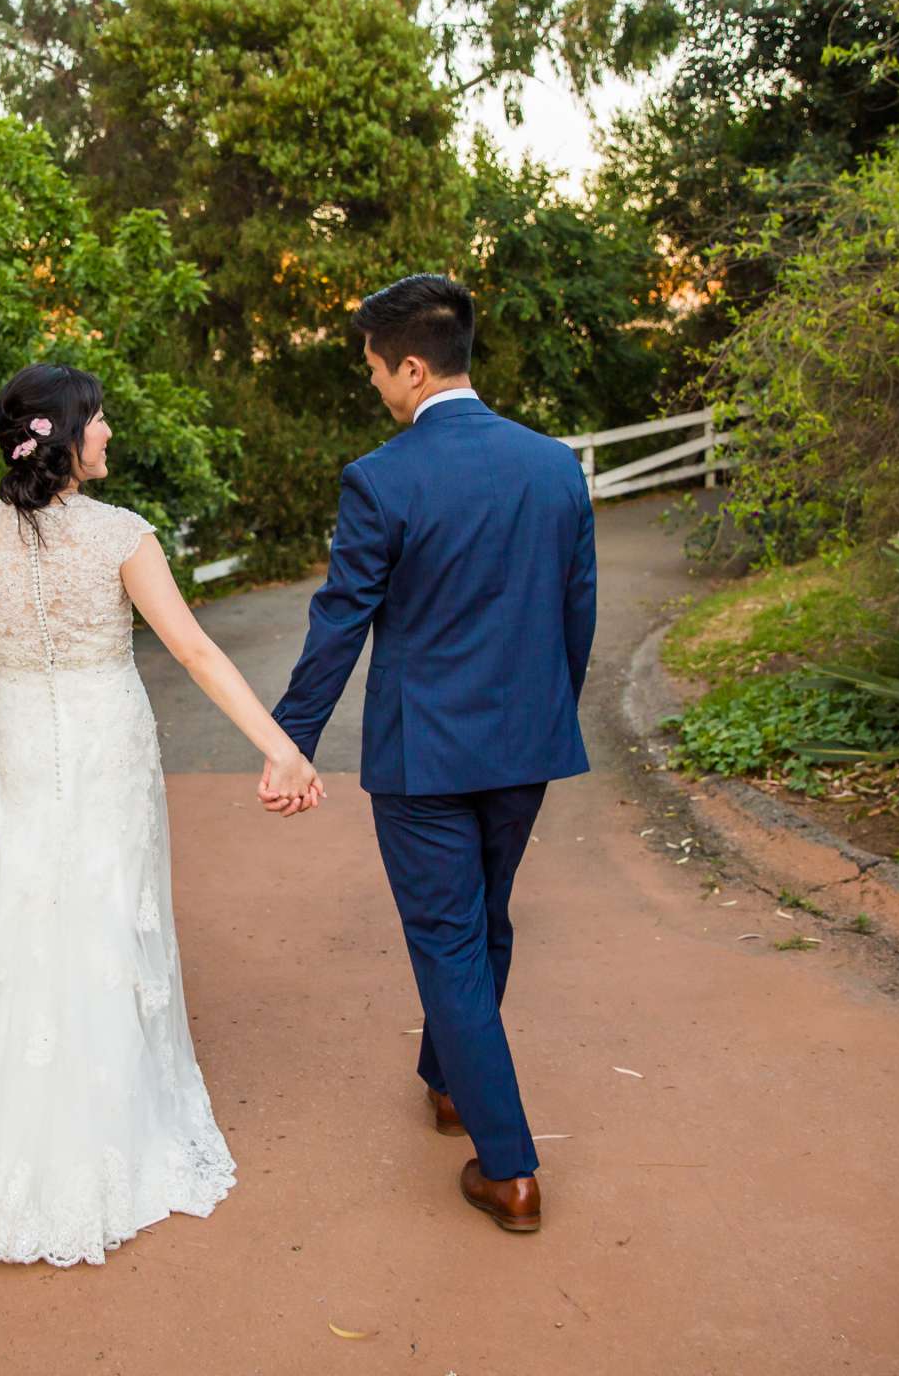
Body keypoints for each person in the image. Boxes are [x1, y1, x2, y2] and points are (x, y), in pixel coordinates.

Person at [0, 362, 326, 1266]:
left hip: (21, 735)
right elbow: (196, 649)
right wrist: (278, 744)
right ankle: (109, 1141)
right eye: (98, 422)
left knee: (27, 919)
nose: (108, 435)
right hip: (102, 738)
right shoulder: (121, 536)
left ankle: (15, 1156)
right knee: (103, 912)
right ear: (64, 435)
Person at [268, 272, 597, 1236]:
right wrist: (546, 715)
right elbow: (576, 611)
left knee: (450, 941)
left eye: (375, 369)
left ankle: (510, 1167)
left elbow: (341, 624)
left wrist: (293, 741)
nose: (374, 386)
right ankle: (447, 1082)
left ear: (412, 367)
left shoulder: (384, 478)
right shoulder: (553, 466)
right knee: (486, 920)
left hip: (423, 761)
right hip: (526, 744)